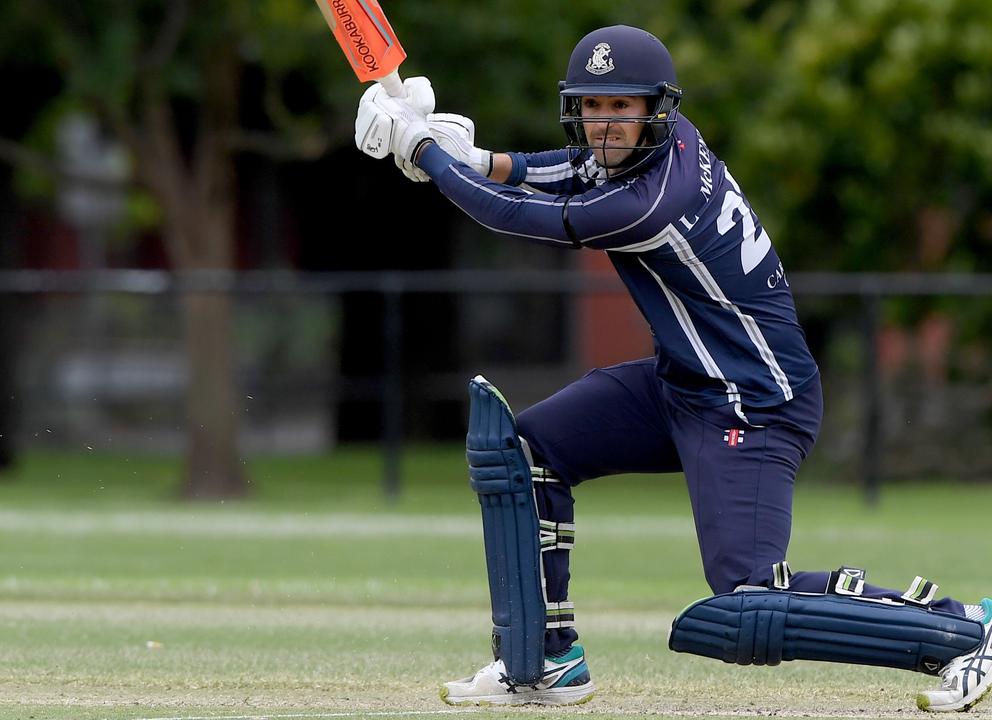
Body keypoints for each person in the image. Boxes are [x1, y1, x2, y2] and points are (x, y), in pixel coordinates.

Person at [352, 24, 992, 711]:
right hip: (685, 384)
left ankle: (963, 629)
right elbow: (559, 171)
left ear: (655, 107)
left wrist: (425, 152)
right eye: (592, 108)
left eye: (620, 107)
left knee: (746, 599)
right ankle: (540, 663)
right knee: (525, 451)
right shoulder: (661, 145)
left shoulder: (653, 200)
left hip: (754, 404)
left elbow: (515, 216)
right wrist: (478, 156)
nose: (604, 125)